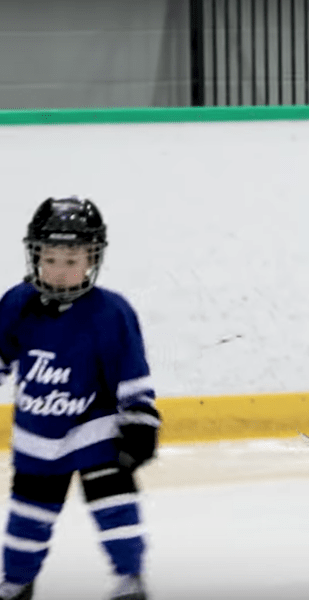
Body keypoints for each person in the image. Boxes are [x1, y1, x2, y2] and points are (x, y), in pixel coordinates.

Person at [0, 197, 160, 600]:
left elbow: (131, 373)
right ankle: (17, 581)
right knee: (27, 520)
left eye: (72, 261)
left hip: (96, 433)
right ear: (35, 255)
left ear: (91, 260)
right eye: (50, 259)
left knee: (116, 508)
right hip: (38, 435)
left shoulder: (111, 313)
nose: (60, 271)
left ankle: (130, 577)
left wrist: (140, 420)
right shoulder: (16, 305)